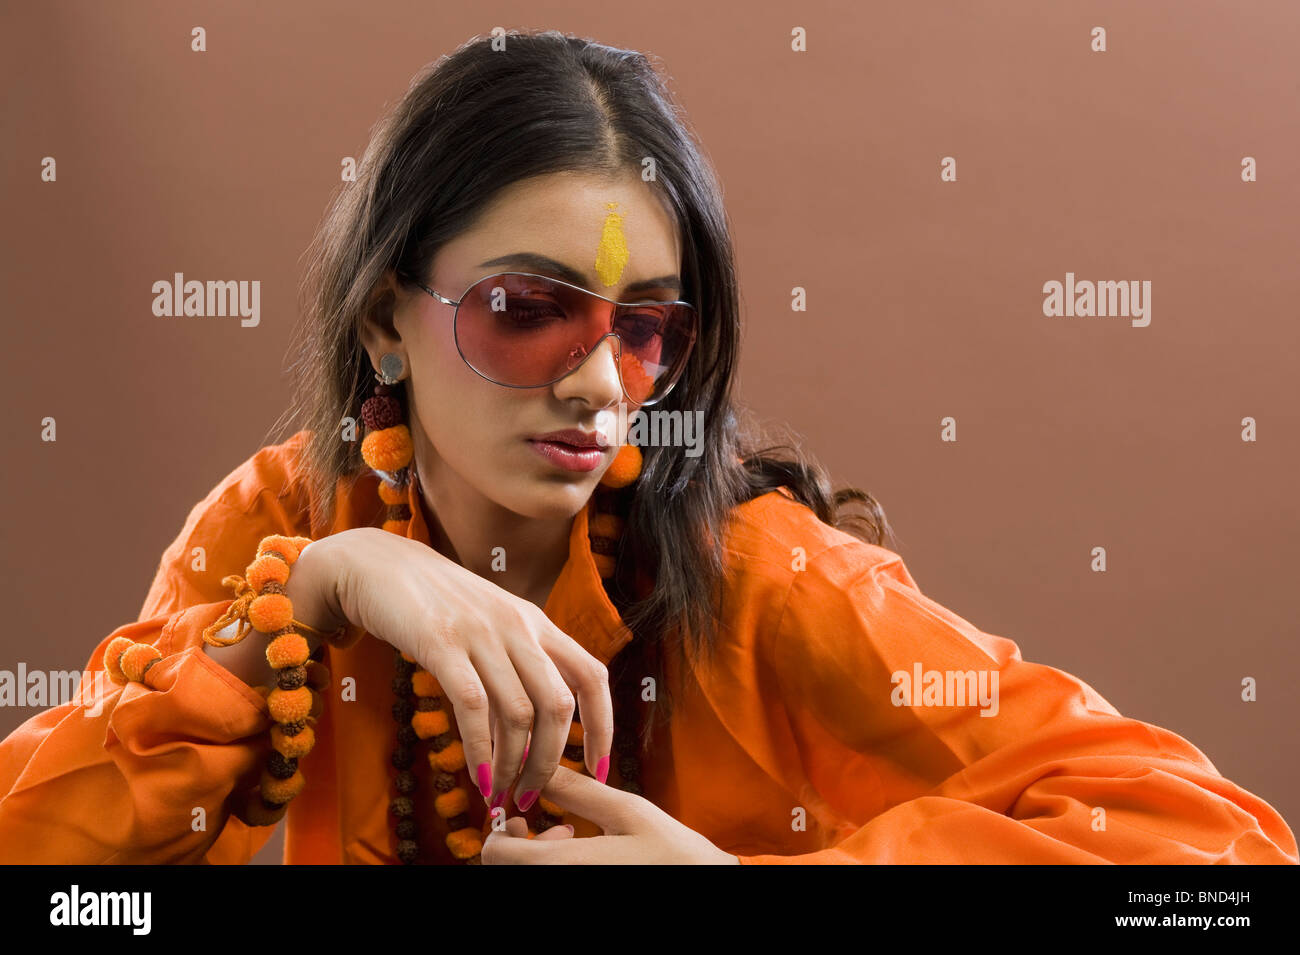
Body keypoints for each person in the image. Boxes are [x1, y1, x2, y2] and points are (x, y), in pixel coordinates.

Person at [1, 30, 1295, 866]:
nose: (595, 388)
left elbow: (1217, 854)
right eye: (524, 311)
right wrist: (313, 591)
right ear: (386, 320)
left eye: (646, 332)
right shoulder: (282, 531)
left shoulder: (765, 582)